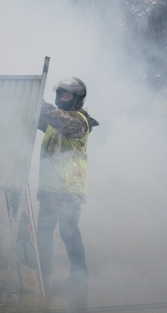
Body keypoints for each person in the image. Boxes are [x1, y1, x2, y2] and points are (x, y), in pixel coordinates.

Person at [36, 77, 99, 294]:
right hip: (49, 188)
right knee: (43, 233)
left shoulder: (78, 121)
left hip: (68, 190)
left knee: (69, 232)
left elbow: (54, 116)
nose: (63, 99)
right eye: (60, 95)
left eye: (67, 95)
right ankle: (43, 274)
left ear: (77, 99)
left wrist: (35, 99)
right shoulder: (56, 121)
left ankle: (78, 279)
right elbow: (38, 118)